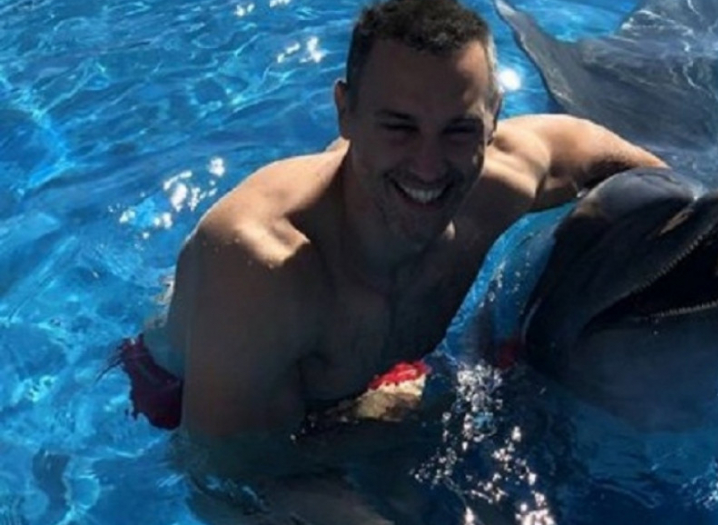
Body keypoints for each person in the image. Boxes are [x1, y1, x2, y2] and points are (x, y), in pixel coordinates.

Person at [118, 0, 666, 472]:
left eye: (459, 130)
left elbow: (615, 161)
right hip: (197, 392)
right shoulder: (264, 266)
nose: (429, 166)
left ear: (494, 120)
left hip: (366, 376)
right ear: (345, 112)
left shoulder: (507, 176)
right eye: (399, 127)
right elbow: (229, 478)